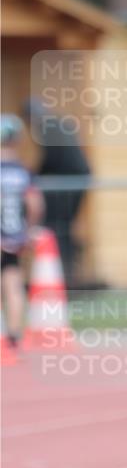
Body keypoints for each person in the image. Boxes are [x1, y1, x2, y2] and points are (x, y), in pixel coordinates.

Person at [24, 98, 90, 288]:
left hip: (69, 180)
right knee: (64, 226)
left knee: (58, 226)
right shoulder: (58, 122)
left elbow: (52, 158)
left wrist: (34, 176)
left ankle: (65, 273)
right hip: (76, 177)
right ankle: (67, 270)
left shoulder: (47, 126)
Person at [1, 115, 44, 354]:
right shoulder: (23, 171)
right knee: (13, 284)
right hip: (14, 235)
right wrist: (27, 230)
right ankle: (13, 337)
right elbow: (35, 204)